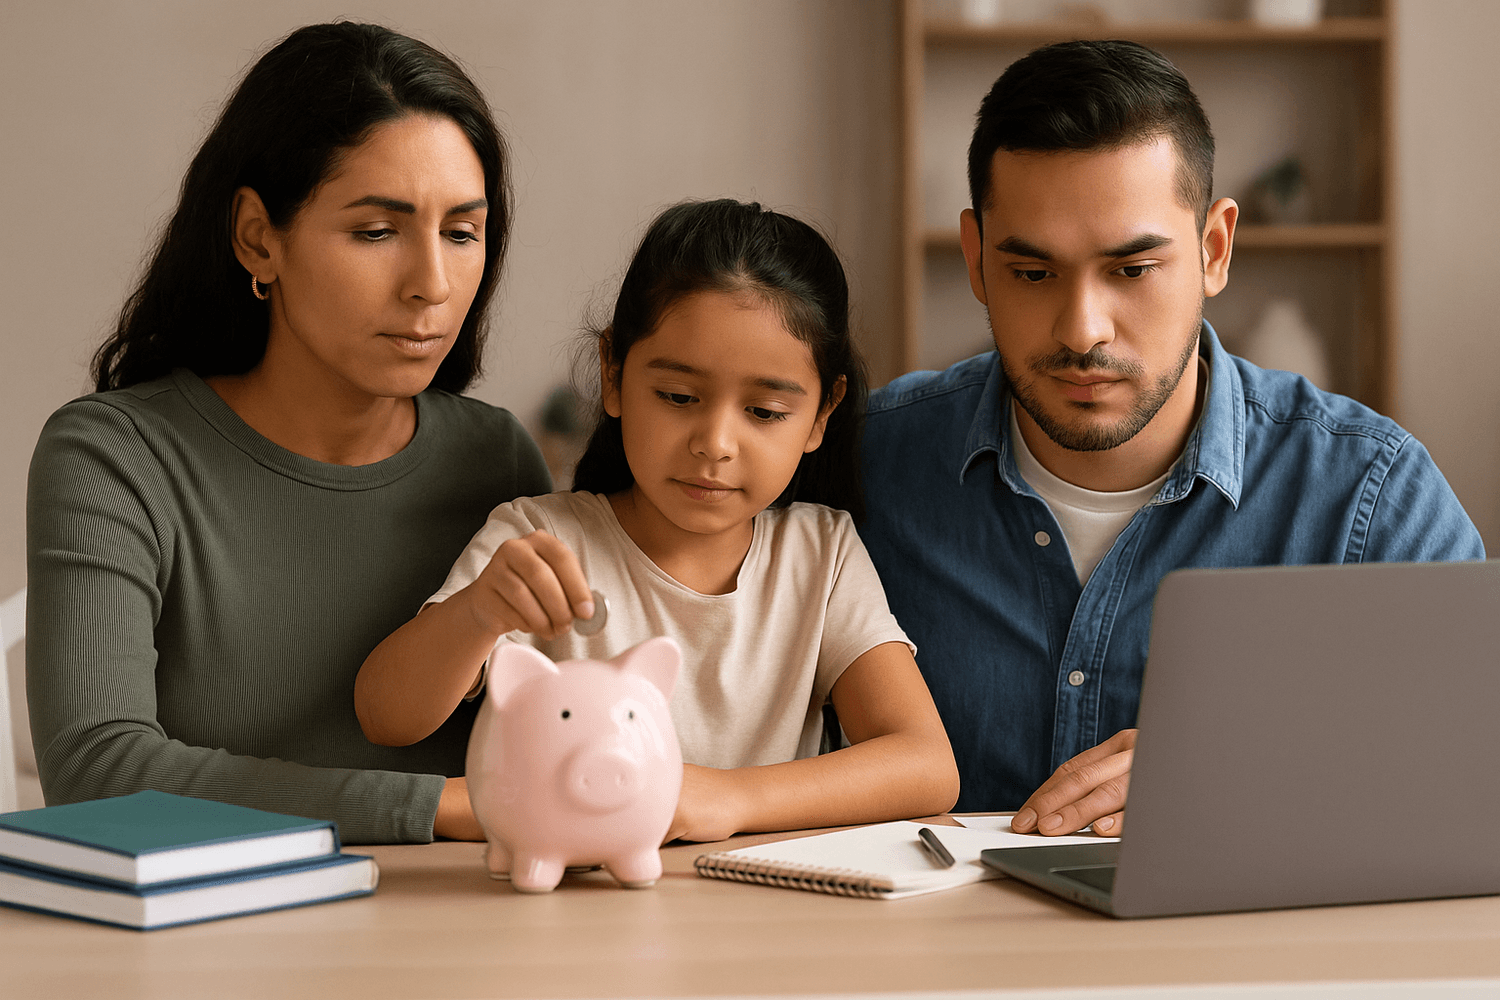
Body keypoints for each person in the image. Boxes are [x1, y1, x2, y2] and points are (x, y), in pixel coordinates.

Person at [859, 40, 1484, 836]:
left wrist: (1248, 771)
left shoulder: (1365, 494)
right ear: (977, 260)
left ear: (1213, 250)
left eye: (1131, 270)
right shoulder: (865, 464)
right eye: (1032, 272)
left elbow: (1476, 762)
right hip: (929, 961)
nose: (1083, 331)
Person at [26, 23, 552, 844]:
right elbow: (98, 774)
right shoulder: (114, 456)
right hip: (210, 949)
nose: (432, 285)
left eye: (461, 231)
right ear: (257, 237)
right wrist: (439, 808)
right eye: (377, 232)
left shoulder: (496, 459)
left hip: (462, 931)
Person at [356, 199, 960, 843]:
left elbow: (925, 766)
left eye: (764, 412)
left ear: (821, 414)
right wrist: (478, 613)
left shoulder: (822, 552)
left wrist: (724, 798)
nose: (715, 443)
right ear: (612, 373)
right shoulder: (540, 537)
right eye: (678, 397)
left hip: (768, 916)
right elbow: (386, 716)